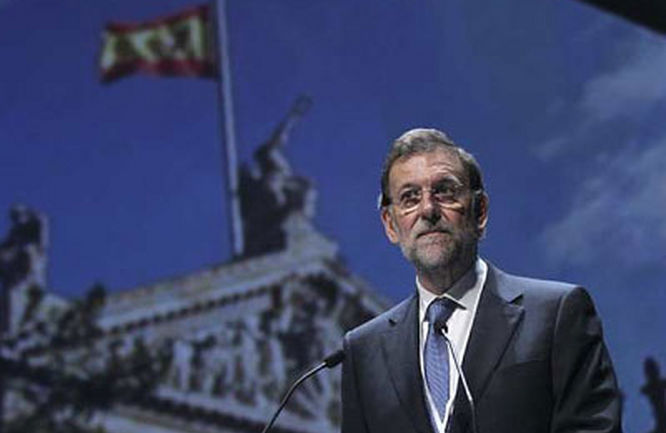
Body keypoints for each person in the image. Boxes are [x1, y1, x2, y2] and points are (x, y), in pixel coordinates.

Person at [341, 128, 622, 433]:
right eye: (410, 198)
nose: (428, 209)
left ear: (480, 211)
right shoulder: (363, 349)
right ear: (390, 224)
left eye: (445, 191)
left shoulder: (556, 314)